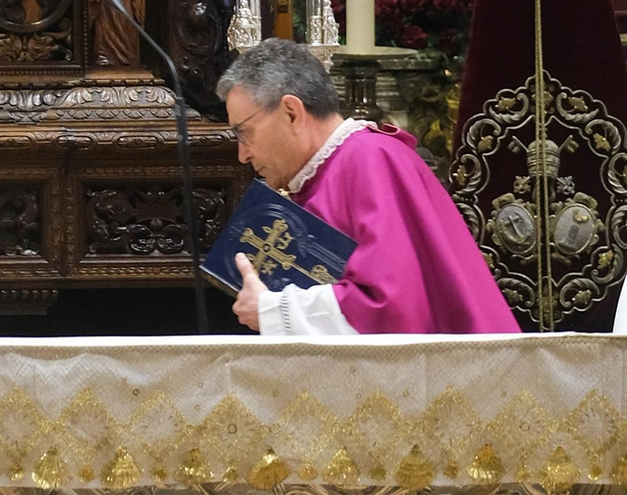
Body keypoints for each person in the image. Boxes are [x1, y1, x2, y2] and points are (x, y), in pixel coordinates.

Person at [219, 38, 518, 337]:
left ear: (292, 113)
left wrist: (273, 310)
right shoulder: (327, 171)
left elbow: (388, 306)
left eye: (244, 133)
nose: (242, 155)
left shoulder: (368, 159)